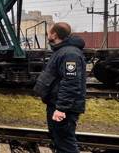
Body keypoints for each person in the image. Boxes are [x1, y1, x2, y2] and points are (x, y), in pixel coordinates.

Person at [33, 22, 86, 153]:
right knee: (59, 140)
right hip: (56, 103)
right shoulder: (62, 50)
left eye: (48, 33)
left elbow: (71, 83)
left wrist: (61, 108)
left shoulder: (70, 54)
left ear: (54, 35)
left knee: (65, 145)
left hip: (63, 108)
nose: (47, 35)